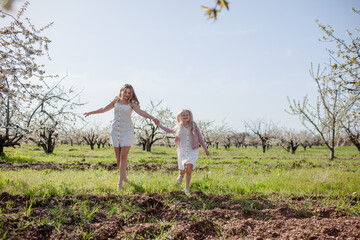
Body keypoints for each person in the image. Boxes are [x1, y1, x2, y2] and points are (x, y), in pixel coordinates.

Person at [84, 84, 159, 190]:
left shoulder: (132, 103)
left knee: (124, 156)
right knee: (118, 158)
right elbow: (104, 109)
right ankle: (124, 176)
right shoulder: (116, 101)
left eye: (129, 93)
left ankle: (120, 182)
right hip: (115, 131)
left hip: (127, 131)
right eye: (125, 92)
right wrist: (91, 112)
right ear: (121, 91)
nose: (127, 94)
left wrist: (152, 117)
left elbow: (141, 112)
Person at [156, 109, 209, 195]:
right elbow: (169, 130)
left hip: (193, 150)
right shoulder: (179, 126)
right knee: (182, 170)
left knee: (189, 169)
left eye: (186, 115)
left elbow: (200, 138)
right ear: (180, 117)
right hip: (182, 150)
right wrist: (159, 125)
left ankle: (186, 188)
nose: (185, 116)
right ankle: (181, 175)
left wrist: (205, 149)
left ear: (190, 116)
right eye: (183, 115)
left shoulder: (194, 126)